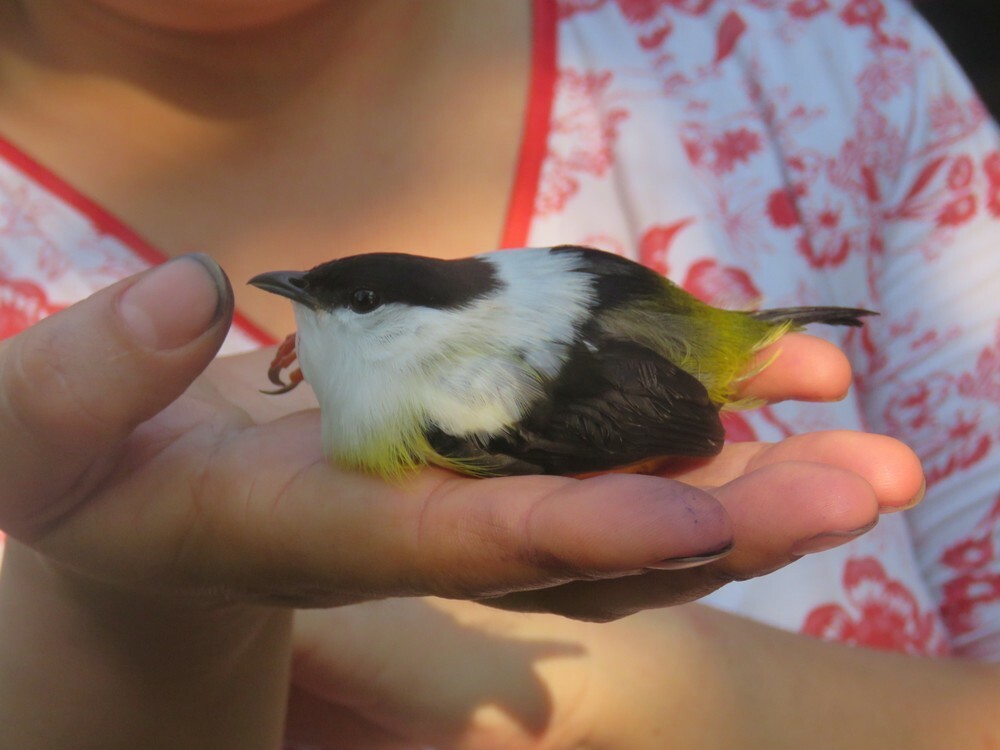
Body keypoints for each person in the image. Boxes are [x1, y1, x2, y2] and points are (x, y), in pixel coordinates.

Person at [0, 1, 994, 749]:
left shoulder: (815, 48)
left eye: (339, 309)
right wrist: (136, 605)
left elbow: (617, 410)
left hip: (626, 348)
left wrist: (640, 689)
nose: (307, 312)